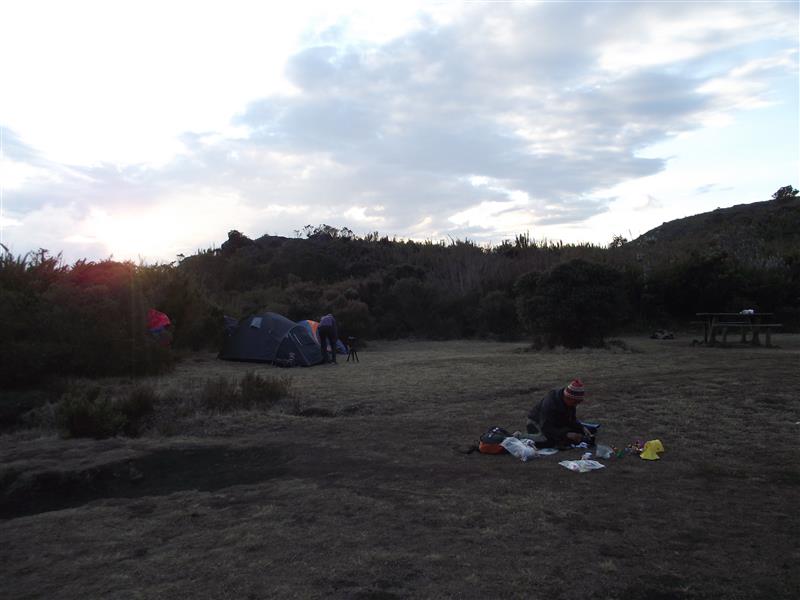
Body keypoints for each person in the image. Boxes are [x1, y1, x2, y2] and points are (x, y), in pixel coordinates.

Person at [526, 379, 592, 448]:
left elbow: (571, 419)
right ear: (568, 398)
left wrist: (582, 428)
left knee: (578, 433)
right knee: (547, 441)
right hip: (537, 423)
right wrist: (566, 434)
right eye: (576, 402)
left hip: (554, 422)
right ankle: (520, 437)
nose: (576, 405)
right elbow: (546, 428)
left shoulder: (570, 402)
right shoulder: (550, 405)